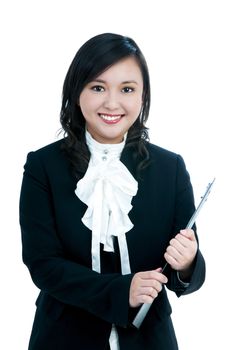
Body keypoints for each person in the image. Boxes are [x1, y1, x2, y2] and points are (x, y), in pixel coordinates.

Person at [19, 33, 205, 350]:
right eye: (97, 87)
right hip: (62, 337)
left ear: (143, 97)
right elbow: (43, 264)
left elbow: (184, 277)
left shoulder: (170, 168)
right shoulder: (43, 166)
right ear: (76, 92)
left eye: (127, 89)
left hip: (150, 340)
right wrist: (122, 291)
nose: (112, 103)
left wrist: (187, 263)